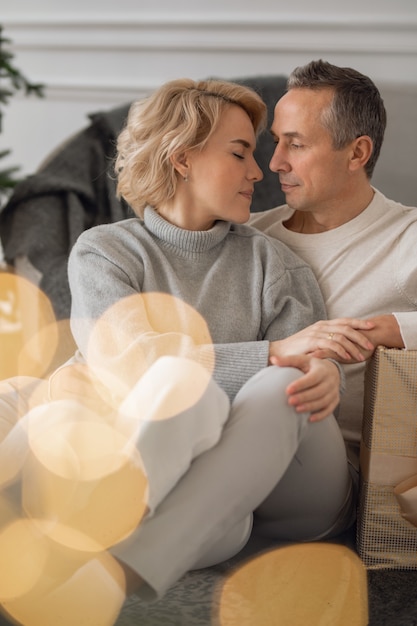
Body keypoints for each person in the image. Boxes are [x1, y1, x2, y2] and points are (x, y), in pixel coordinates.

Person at [34, 76, 360, 609]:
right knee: (196, 381)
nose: (259, 172)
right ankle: (144, 551)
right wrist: (272, 353)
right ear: (181, 158)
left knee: (283, 384)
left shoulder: (272, 261)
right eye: (239, 154)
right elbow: (129, 363)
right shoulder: (105, 253)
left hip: (297, 486)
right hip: (203, 488)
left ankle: (112, 570)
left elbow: (306, 364)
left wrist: (320, 370)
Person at [250, 59, 417, 475]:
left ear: (357, 152)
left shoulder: (406, 237)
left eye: (297, 144)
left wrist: (389, 330)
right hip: (240, 436)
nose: (275, 164)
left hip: (333, 473)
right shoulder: (250, 236)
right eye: (276, 142)